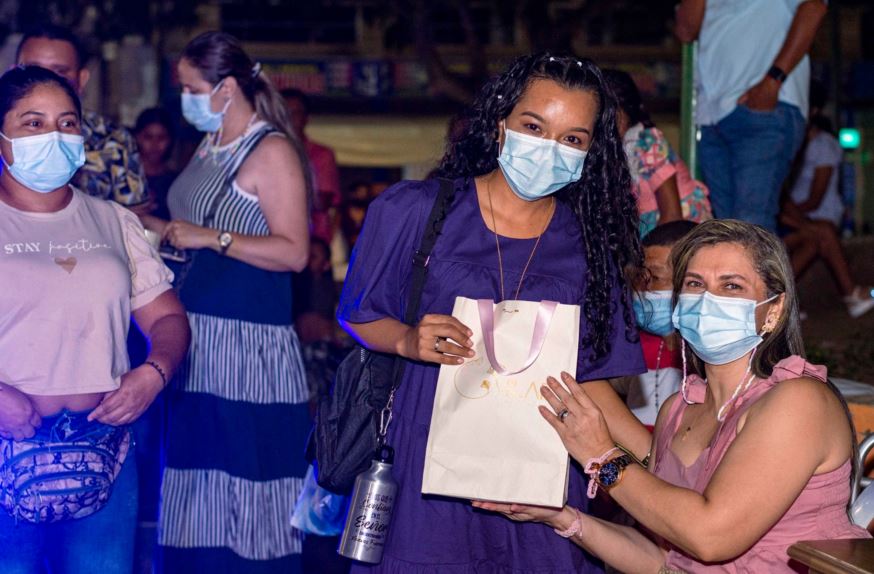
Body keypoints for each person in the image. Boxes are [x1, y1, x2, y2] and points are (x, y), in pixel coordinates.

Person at [337, 52, 652, 573]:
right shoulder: (414, 210)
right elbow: (357, 313)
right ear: (501, 124)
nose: (549, 149)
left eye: (572, 138)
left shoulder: (592, 247)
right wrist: (406, 340)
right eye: (534, 125)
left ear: (590, 152)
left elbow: (592, 380)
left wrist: (661, 462)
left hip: (541, 477)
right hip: (424, 468)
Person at [476, 219, 870, 572]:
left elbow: (709, 538)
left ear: (773, 309)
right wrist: (562, 518)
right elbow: (664, 561)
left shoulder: (797, 401)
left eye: (731, 286)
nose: (708, 300)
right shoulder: (678, 410)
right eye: (695, 285)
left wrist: (602, 457)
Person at [0, 65, 190, 574]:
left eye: (66, 123)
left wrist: (153, 375)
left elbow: (168, 318)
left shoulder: (113, 220)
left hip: (103, 449)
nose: (54, 137)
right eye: (33, 124)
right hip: (6, 446)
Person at [157, 31, 311, 574]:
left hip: (247, 345)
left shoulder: (269, 149)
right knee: (199, 486)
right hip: (199, 334)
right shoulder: (210, 141)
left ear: (225, 87)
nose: (184, 97)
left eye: (190, 87)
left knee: (247, 481)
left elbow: (295, 252)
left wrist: (209, 237)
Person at [675, 0, 828, 231]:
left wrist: (773, 79)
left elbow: (814, 7)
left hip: (764, 110)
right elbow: (686, 30)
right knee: (728, 232)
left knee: (752, 226)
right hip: (712, 116)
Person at [16, 23, 149, 213]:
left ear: (82, 79)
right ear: (13, 72)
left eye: (59, 71)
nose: (44, 82)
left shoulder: (113, 140)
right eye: (33, 70)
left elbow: (135, 220)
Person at [603, 69, 711, 236]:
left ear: (629, 111)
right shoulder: (613, 149)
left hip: (678, 232)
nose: (607, 127)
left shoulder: (647, 143)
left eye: (614, 118)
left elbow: (672, 214)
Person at [611, 221, 697, 430]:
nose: (643, 289)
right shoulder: (634, 343)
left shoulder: (705, 356)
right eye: (641, 278)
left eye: (656, 278)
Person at [283, 88, 341, 246]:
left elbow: (322, 201)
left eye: (296, 112)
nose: (291, 118)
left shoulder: (321, 154)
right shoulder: (266, 152)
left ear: (306, 118)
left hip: (315, 243)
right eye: (285, 113)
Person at [134, 106, 178, 222]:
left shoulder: (176, 183)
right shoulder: (124, 180)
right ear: (138, 138)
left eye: (161, 138)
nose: (155, 144)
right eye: (148, 137)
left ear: (170, 140)